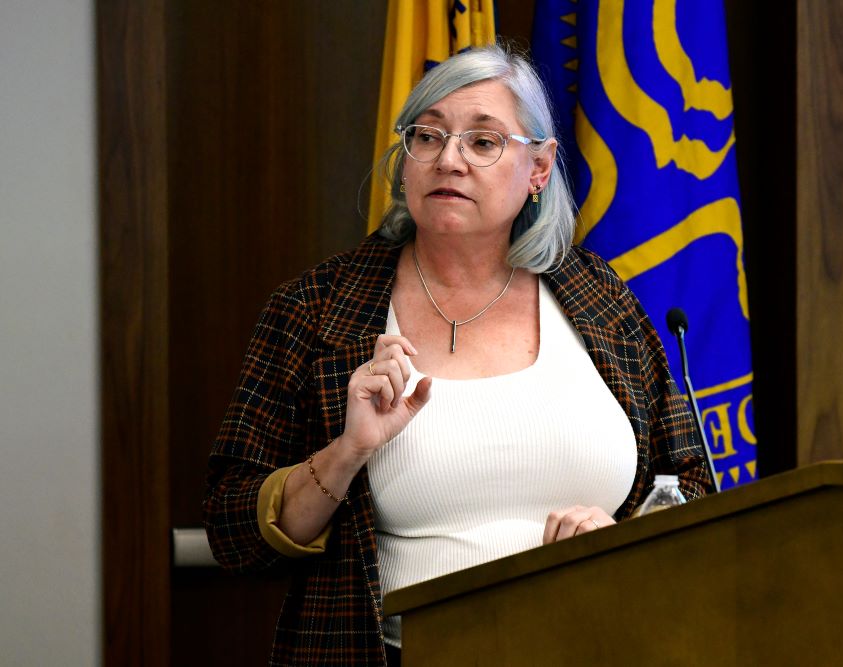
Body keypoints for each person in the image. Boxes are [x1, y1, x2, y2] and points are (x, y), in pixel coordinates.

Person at [204, 43, 713, 666]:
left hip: (597, 645)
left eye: (482, 141)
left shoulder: (600, 299)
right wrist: (347, 453)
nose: (449, 159)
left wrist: (623, 544)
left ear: (539, 169)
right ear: (405, 159)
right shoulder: (316, 310)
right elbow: (233, 532)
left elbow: (690, 489)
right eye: (428, 136)